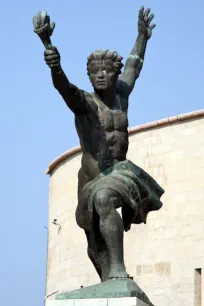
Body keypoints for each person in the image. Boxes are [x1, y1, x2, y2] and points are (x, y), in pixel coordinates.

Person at [43, 7, 164, 281]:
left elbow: (134, 65)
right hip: (90, 177)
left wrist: (142, 37)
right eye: (94, 72)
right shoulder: (85, 103)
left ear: (113, 73)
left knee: (105, 198)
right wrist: (55, 65)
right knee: (95, 246)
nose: (100, 76)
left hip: (120, 172)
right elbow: (64, 87)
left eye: (106, 71)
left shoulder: (122, 94)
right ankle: (110, 276)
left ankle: (119, 268)